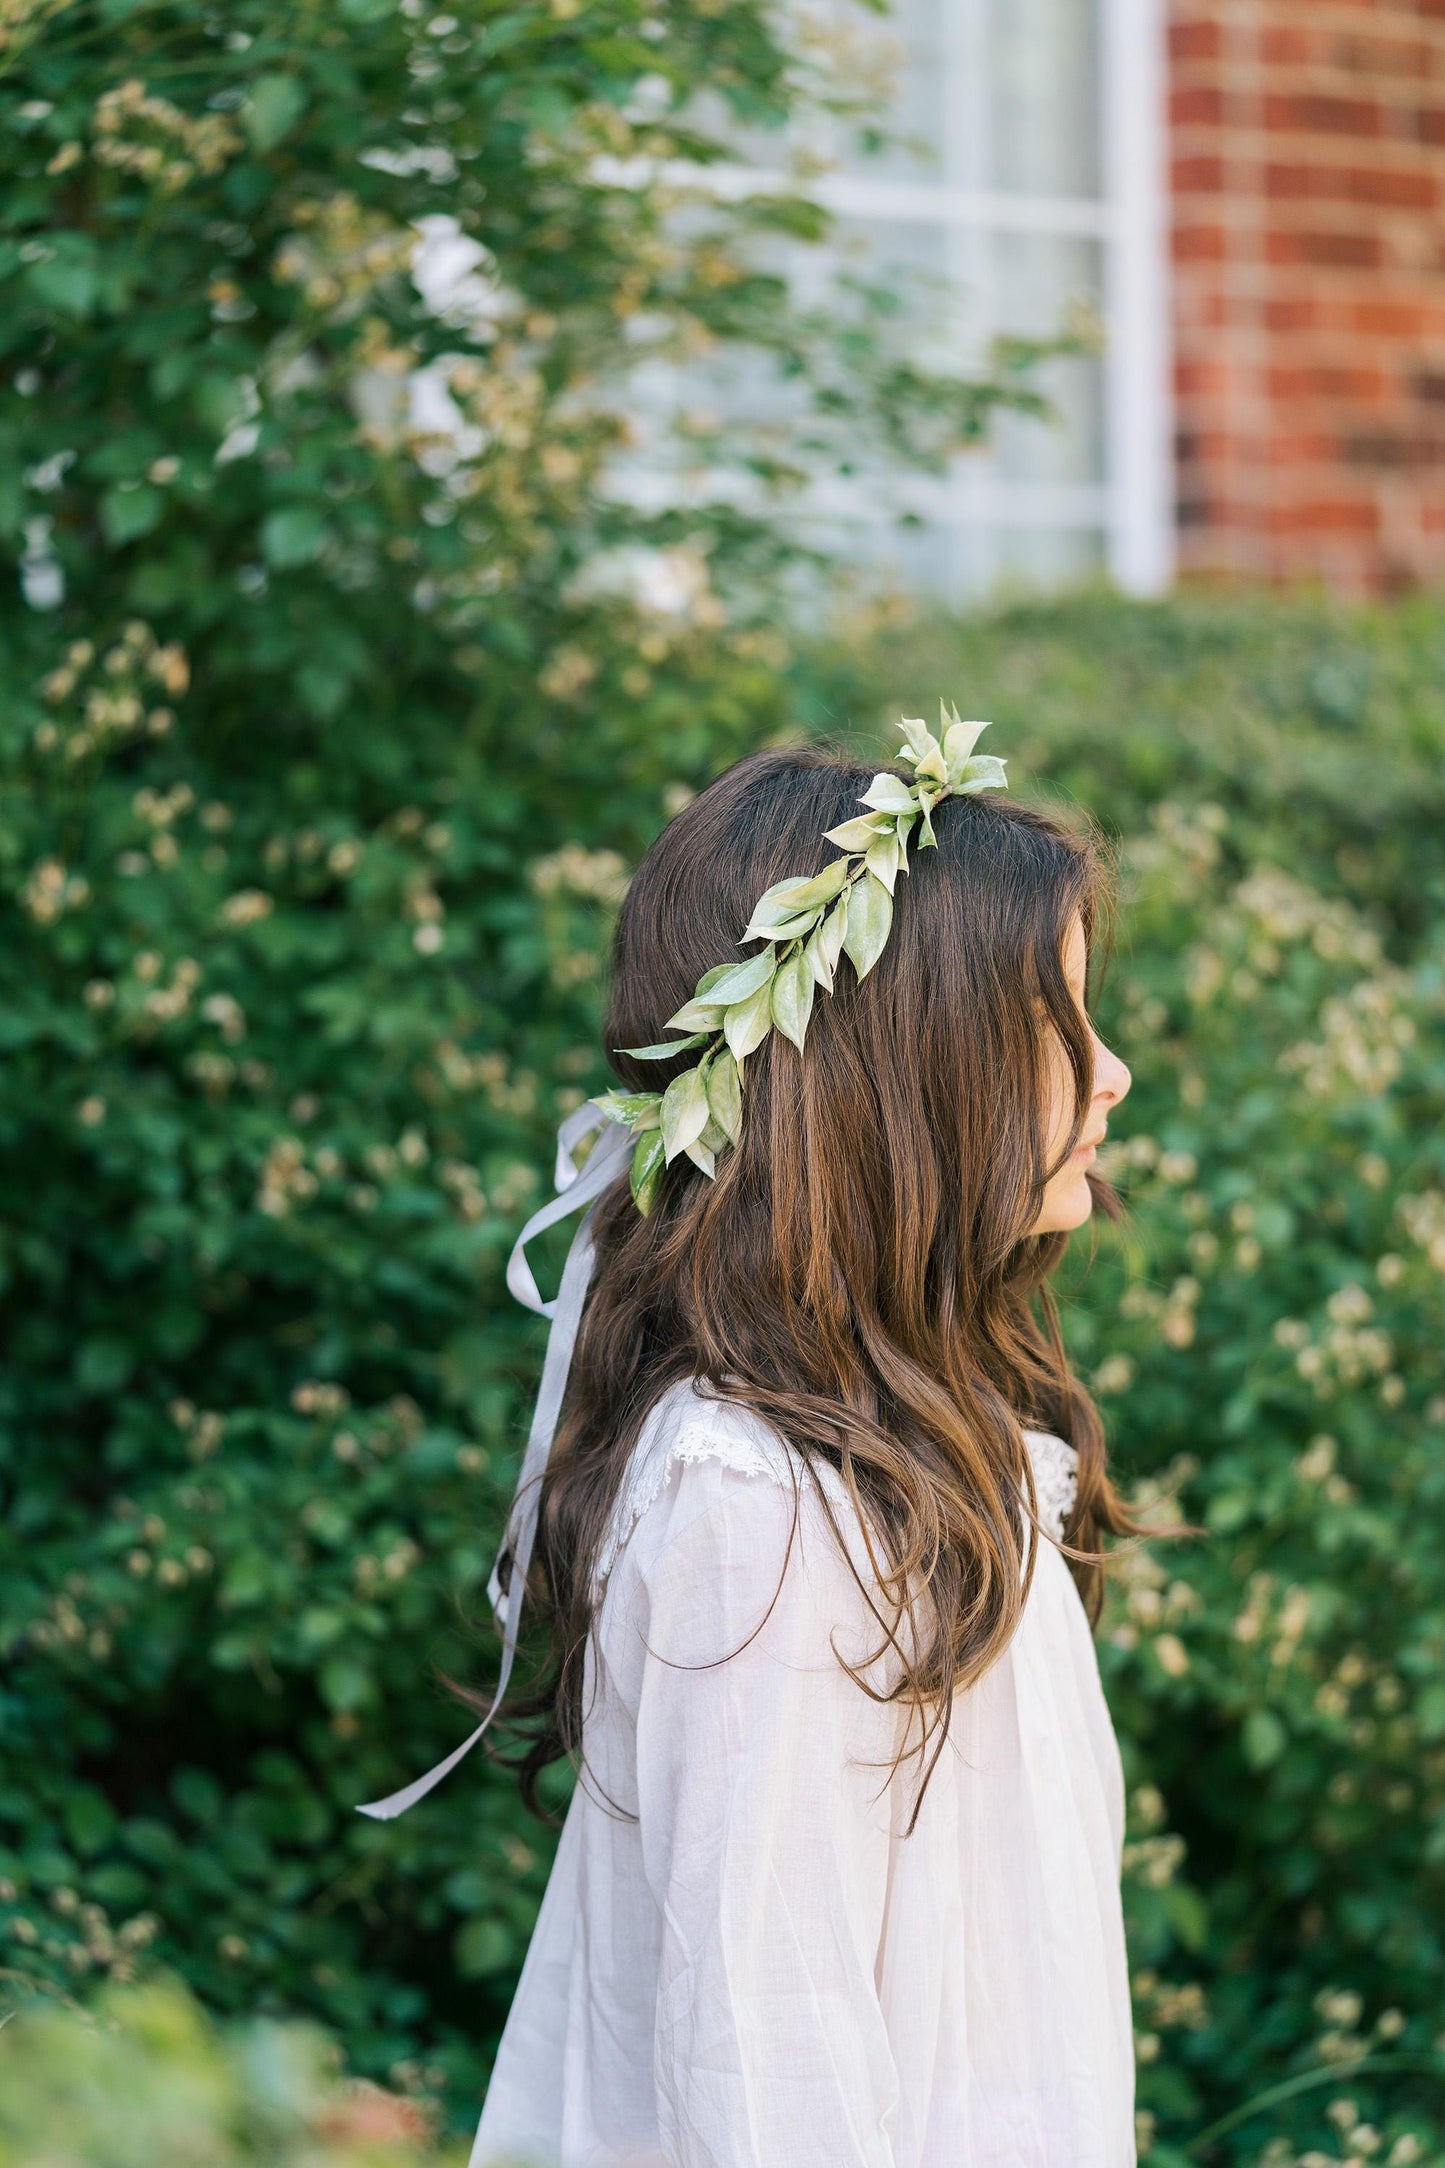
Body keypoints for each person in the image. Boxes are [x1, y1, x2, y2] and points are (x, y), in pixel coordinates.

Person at [368, 716, 1143, 2166]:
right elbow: (765, 2060)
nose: (1110, 1077)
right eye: (1058, 1030)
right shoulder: (761, 1507)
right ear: (897, 1072)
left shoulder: (922, 1446)